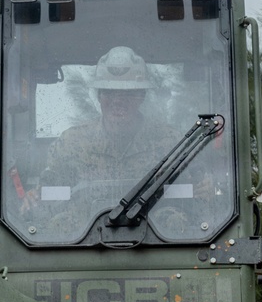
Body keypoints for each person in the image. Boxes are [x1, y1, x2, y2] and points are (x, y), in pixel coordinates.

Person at [40, 46, 175, 196]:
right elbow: (48, 194)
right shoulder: (71, 143)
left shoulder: (170, 143)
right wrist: (33, 198)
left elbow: (193, 187)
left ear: (141, 96)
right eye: (109, 92)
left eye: (128, 93)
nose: (117, 101)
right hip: (85, 220)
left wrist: (205, 188)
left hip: (151, 218)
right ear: (99, 96)